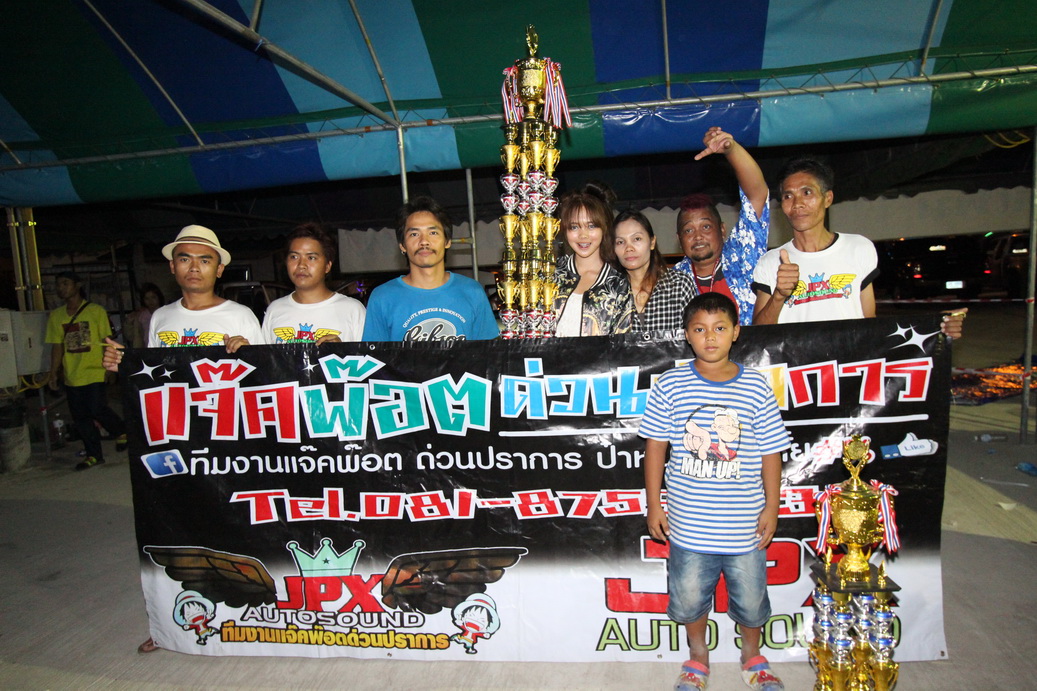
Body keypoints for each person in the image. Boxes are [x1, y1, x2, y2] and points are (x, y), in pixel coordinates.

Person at [102, 225, 262, 654]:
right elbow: (153, 380)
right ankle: (173, 625)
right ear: (172, 267)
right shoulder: (162, 318)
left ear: (219, 269)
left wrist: (248, 351)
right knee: (179, 529)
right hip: (176, 443)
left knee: (235, 528)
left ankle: (252, 620)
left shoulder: (240, 317)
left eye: (205, 259)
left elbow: (269, 384)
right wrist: (123, 365)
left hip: (227, 443)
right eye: (185, 258)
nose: (195, 267)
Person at [640, 293, 791, 691]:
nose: (710, 337)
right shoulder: (671, 384)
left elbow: (772, 452)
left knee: (752, 600)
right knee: (689, 598)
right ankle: (697, 658)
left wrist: (772, 507)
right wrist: (654, 504)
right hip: (689, 524)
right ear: (687, 335)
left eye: (720, 328)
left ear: (736, 332)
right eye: (700, 329)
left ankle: (752, 656)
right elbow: (655, 447)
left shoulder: (755, 386)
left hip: (745, 526)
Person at [751, 157, 967, 337]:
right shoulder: (771, 262)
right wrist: (779, 295)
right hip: (798, 372)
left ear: (828, 198)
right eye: (788, 196)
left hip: (847, 370)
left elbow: (869, 322)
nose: (797, 203)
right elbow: (758, 335)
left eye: (807, 193)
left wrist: (937, 328)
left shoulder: (858, 248)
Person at [361, 196, 498, 342]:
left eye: (433, 233)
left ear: (447, 241)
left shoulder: (472, 292)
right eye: (414, 234)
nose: (424, 241)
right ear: (402, 245)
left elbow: (488, 353)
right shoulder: (382, 297)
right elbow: (374, 355)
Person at [674, 127, 770, 325]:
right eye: (688, 230)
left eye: (706, 227)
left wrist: (731, 150)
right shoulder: (671, 280)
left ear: (722, 229)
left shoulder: (742, 252)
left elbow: (757, 195)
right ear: (679, 239)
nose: (698, 236)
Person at [45, 271, 127, 471]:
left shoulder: (96, 311)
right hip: (73, 375)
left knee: (97, 409)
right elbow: (57, 346)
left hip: (95, 370)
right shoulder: (56, 316)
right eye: (58, 284)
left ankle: (121, 430)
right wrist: (53, 372)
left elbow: (107, 341)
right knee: (80, 417)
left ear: (78, 285)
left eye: (65, 283)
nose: (61, 288)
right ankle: (94, 455)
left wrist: (110, 368)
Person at [263, 223, 365, 343]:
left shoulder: (353, 310)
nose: (301, 265)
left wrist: (340, 351)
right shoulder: (275, 310)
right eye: (294, 257)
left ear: (327, 266)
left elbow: (369, 354)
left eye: (311, 258)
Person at [552, 185, 632, 336]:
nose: (583, 235)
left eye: (591, 226)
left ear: (604, 228)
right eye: (574, 227)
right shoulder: (550, 274)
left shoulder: (618, 284)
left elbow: (623, 341)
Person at [614, 208, 695, 335]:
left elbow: (694, 335)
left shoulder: (679, 285)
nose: (629, 248)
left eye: (637, 239)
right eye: (620, 242)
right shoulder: (609, 292)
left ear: (652, 242)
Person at [124, 283, 165, 349]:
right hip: (145, 349)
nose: (150, 301)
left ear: (159, 297)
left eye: (153, 297)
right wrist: (129, 323)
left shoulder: (165, 313)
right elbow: (131, 336)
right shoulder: (141, 316)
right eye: (147, 298)